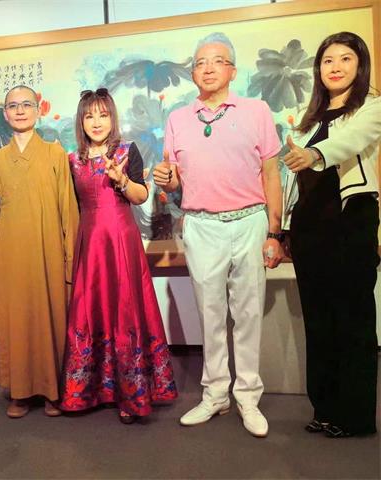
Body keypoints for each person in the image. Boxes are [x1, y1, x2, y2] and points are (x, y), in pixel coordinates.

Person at [153, 32, 283, 437]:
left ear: (232, 70)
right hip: (201, 224)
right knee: (210, 315)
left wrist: (275, 231)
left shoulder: (256, 111)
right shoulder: (177, 118)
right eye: (200, 62)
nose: (207, 68)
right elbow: (174, 182)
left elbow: (272, 174)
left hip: (249, 222)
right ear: (193, 72)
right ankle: (215, 395)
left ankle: (248, 397)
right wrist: (167, 180)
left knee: (247, 314)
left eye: (217, 61)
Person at [59, 88, 178, 424]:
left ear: (112, 118)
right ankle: (89, 391)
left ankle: (132, 394)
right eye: (89, 116)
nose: (96, 122)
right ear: (81, 121)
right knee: (90, 310)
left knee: (126, 310)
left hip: (122, 242)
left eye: (103, 115)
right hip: (90, 244)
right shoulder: (72, 160)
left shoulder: (127, 151)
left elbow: (140, 196)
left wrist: (122, 180)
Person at [282, 31, 380, 438]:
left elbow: (351, 142)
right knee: (319, 321)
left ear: (360, 66)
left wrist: (314, 155)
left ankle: (354, 417)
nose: (335, 67)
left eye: (345, 59)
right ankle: (324, 409)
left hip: (350, 222)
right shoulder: (308, 119)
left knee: (352, 319)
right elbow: (292, 180)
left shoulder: (372, 107)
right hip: (310, 230)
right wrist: (283, 230)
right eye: (327, 60)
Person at [0, 85, 79, 418]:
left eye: (26, 104)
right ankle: (19, 392)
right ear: (5, 113)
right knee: (16, 321)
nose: (19, 111)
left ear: (38, 110)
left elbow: (68, 210)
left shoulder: (55, 154)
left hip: (48, 252)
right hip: (13, 252)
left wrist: (70, 261)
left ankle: (52, 390)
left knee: (51, 319)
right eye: (13, 106)